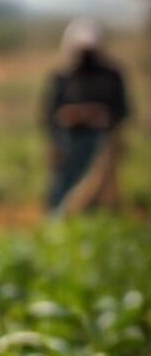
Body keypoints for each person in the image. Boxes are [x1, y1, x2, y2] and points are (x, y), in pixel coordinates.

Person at [42, 18, 131, 216]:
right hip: (68, 141)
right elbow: (49, 114)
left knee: (99, 190)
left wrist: (101, 117)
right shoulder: (62, 78)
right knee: (64, 188)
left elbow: (122, 110)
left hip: (101, 142)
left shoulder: (111, 76)